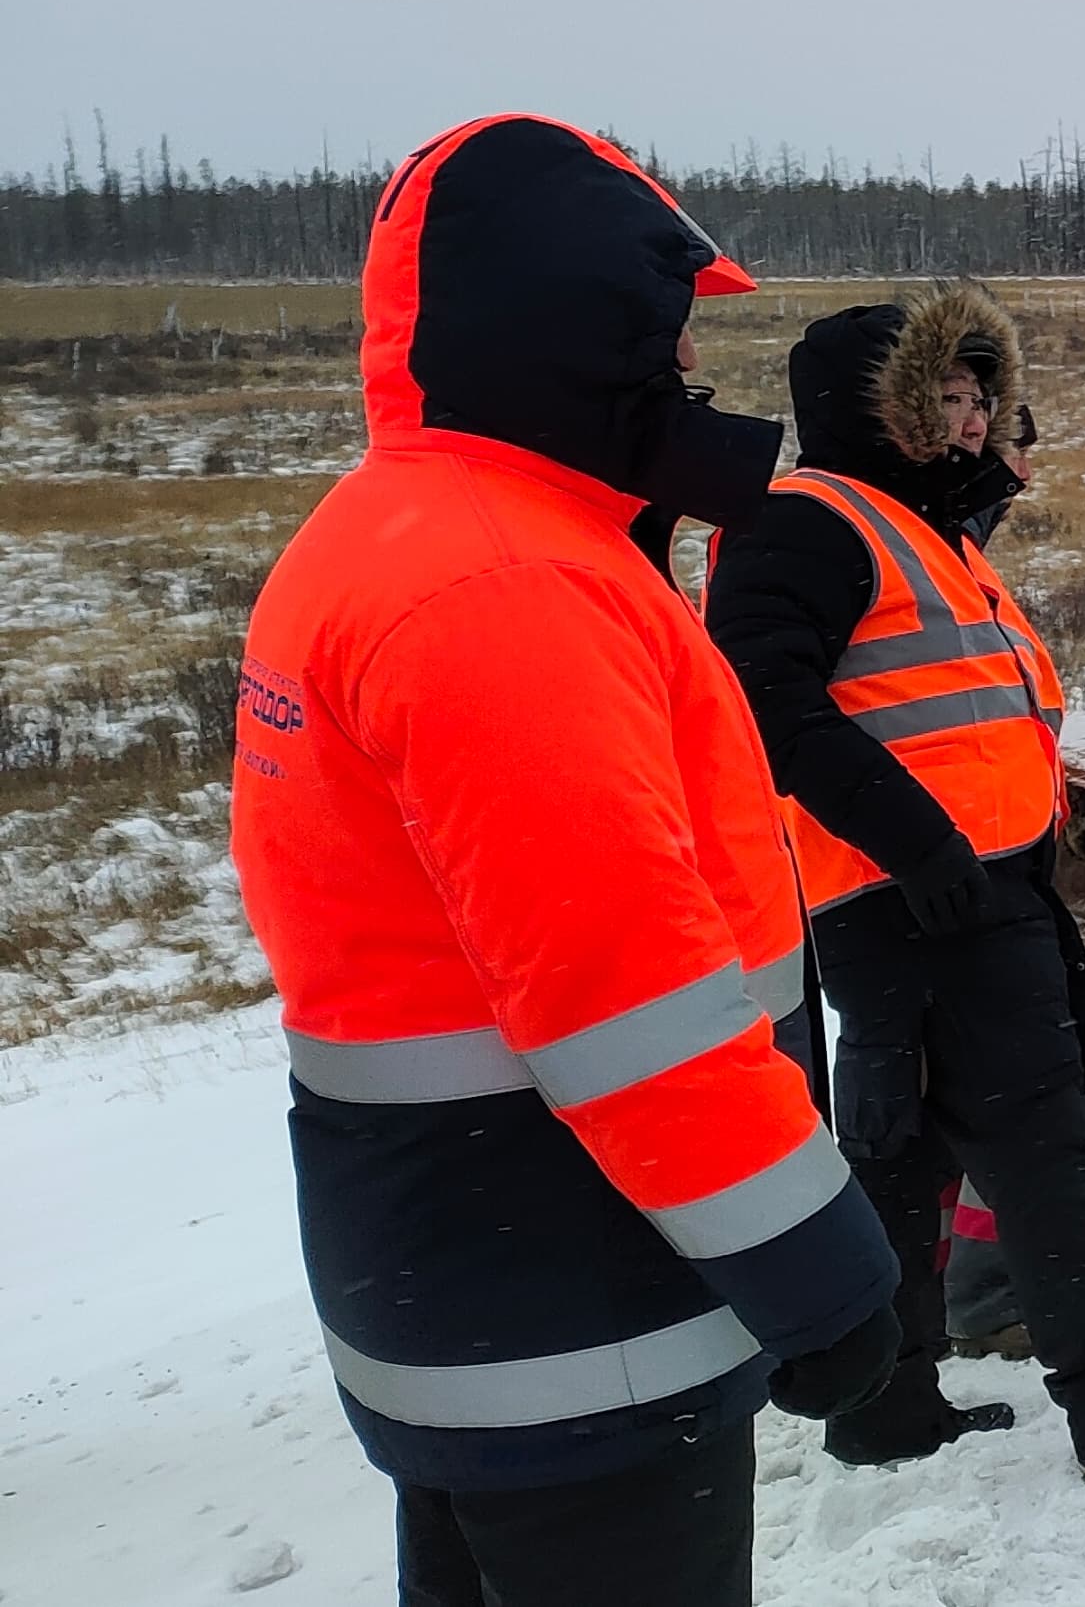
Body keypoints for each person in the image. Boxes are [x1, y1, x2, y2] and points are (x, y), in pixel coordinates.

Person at [229, 114, 901, 1607]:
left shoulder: (396, 530)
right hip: (574, 1302)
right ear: (564, 329)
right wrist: (813, 1263)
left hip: (465, 1275)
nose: (685, 378)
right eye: (657, 340)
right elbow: (624, 998)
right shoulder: (504, 582)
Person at [705, 282, 1085, 1487]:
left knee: (910, 1156)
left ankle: (882, 1405)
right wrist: (920, 846)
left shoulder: (913, 526)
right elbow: (766, 708)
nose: (972, 423)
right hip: (921, 896)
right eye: (946, 401)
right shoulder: (807, 522)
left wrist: (983, 475)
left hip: (971, 887)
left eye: (981, 399)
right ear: (880, 410)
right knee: (1035, 1144)